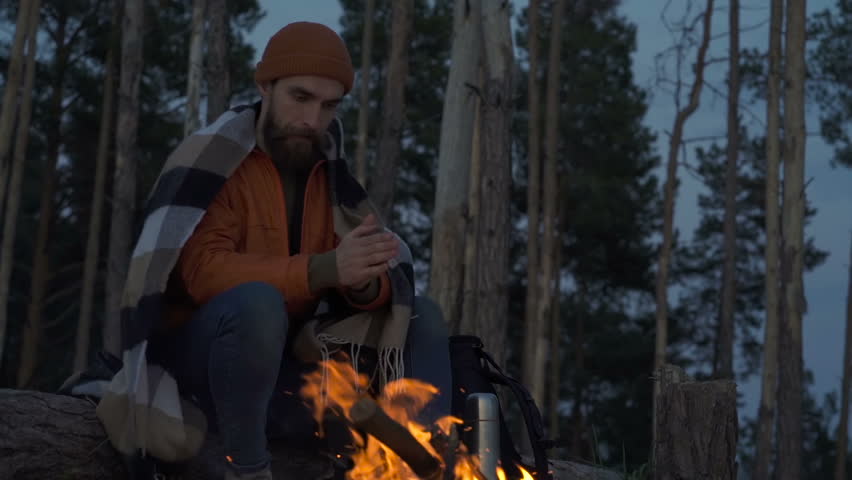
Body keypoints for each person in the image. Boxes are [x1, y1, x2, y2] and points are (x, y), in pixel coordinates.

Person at [91, 22, 451, 480]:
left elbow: (359, 279)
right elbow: (203, 272)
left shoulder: (330, 176)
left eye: (328, 106)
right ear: (265, 86)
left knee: (420, 313)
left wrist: (362, 281)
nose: (313, 119)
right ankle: (248, 469)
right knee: (258, 305)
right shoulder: (215, 160)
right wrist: (323, 269)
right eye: (300, 97)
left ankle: (426, 462)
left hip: (290, 365)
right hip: (203, 361)